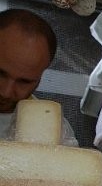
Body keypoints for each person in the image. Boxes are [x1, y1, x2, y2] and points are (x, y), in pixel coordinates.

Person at [0, 8, 77, 145]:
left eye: (24, 82)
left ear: (39, 78)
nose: (5, 92)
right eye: (0, 73)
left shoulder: (53, 131)